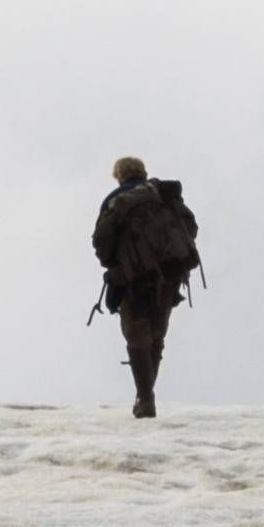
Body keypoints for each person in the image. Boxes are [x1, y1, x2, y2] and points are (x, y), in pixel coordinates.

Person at [91, 154, 203, 417]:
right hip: (169, 275)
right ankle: (145, 396)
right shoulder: (164, 195)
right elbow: (192, 228)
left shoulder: (115, 202)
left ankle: (145, 398)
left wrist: (120, 261)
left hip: (133, 279)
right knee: (156, 336)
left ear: (119, 176)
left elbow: (101, 243)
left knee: (137, 335)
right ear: (142, 172)